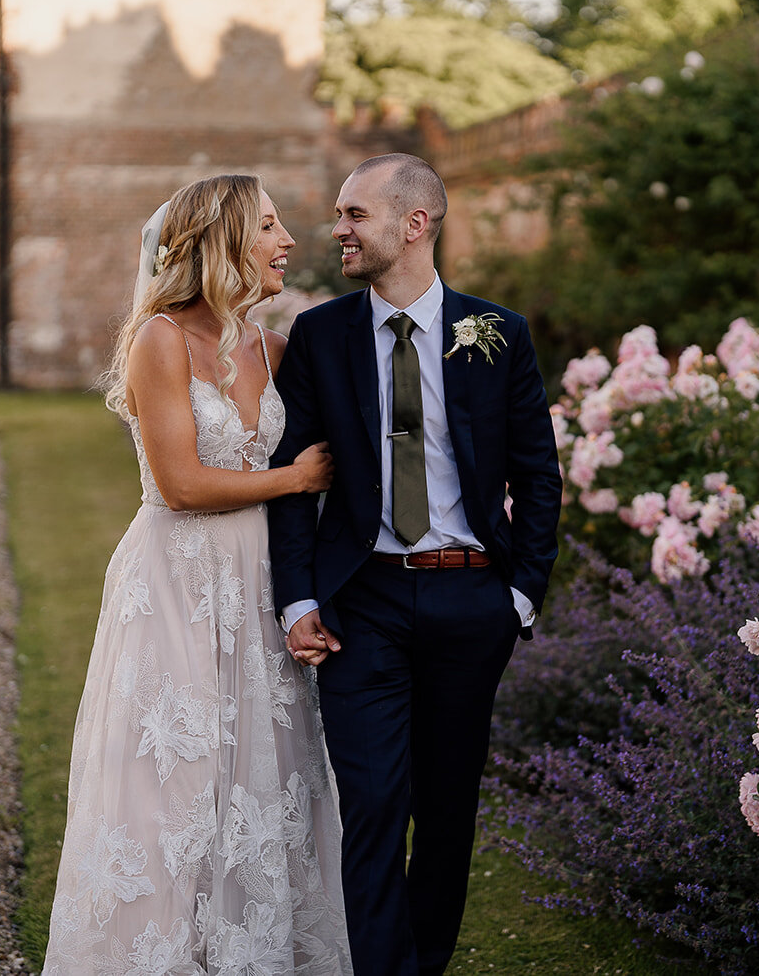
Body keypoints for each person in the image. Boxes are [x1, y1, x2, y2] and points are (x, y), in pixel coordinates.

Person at [43, 175, 354, 975]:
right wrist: (295, 479)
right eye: (271, 227)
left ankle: (249, 951)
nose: (288, 242)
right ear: (224, 241)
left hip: (258, 585)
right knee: (172, 785)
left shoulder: (274, 349)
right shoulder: (161, 340)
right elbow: (181, 483)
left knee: (263, 778)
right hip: (177, 581)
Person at [267, 153, 562, 976]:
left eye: (355, 214)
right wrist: (297, 598)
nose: (337, 230)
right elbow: (296, 481)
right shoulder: (320, 336)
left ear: (414, 223)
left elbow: (538, 473)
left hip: (473, 601)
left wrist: (521, 596)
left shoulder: (496, 331)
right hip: (363, 605)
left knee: (446, 814)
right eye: (340, 214)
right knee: (369, 810)